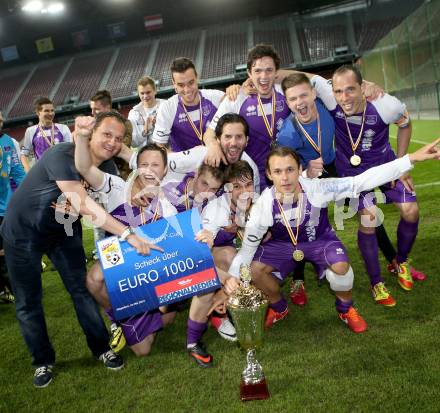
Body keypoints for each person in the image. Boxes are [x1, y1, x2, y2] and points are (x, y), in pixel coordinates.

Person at [0, 111, 158, 388]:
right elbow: (81, 202)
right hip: (23, 233)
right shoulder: (61, 153)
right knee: (28, 301)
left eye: (117, 138)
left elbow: (115, 202)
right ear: (92, 132)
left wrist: (136, 198)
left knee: (81, 290)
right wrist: (128, 234)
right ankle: (43, 361)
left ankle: (101, 348)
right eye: (106, 134)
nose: (110, 142)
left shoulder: (107, 168)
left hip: (64, 231)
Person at [227, 142, 440, 333]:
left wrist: (410, 159)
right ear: (269, 174)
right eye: (278, 171)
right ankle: (279, 308)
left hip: (319, 240)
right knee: (254, 270)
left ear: (300, 170)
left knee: (341, 269)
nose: (285, 177)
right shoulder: (263, 206)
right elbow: (247, 249)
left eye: (290, 170)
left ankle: (345, 309)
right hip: (283, 245)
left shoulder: (319, 188)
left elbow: (359, 182)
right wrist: (232, 277)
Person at [311, 65, 424, 305]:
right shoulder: (332, 99)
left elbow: (405, 124)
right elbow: (301, 78)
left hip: (385, 166)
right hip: (352, 174)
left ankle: (401, 262)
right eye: (339, 91)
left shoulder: (386, 104)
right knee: (369, 217)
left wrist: (402, 164)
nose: (343, 97)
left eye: (350, 90)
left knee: (411, 211)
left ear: (363, 88)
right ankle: (376, 282)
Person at [75, 137, 177, 357]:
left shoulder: (168, 207)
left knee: (143, 349)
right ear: (135, 167)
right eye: (144, 165)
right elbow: (83, 167)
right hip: (120, 266)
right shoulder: (117, 187)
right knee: (94, 278)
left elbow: (172, 254)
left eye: (155, 165)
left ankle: (159, 313)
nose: (149, 171)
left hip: (149, 273)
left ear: (165, 170)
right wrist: (82, 138)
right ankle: (119, 318)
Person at [204, 44, 291, 188]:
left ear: (277, 73)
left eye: (269, 70)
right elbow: (209, 134)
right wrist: (213, 145)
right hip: (253, 177)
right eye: (257, 71)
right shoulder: (236, 98)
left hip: (285, 172)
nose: (263, 77)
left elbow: (314, 82)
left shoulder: (287, 92)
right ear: (249, 73)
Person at [164, 113, 260, 193]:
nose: (233, 143)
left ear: (247, 140)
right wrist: (148, 187)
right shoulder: (201, 154)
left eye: (239, 137)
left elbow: (253, 201)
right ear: (218, 139)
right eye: (228, 137)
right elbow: (161, 161)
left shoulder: (251, 167)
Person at [152, 57, 225, 156]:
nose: (187, 90)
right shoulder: (167, 108)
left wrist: (236, 89)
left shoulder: (216, 97)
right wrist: (185, 159)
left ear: (197, 78)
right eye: (181, 85)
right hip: (184, 168)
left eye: (191, 83)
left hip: (216, 161)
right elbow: (159, 147)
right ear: (174, 84)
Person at [0, 111, 25, 303]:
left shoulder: (8, 141)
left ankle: (17, 291)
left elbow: (17, 171)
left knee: (9, 250)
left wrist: (28, 194)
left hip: (6, 207)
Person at [20, 97, 72, 172]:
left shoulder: (63, 128)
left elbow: (71, 151)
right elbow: (23, 154)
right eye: (46, 111)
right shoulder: (31, 131)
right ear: (38, 112)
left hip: (62, 171)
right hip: (42, 173)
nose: (51, 113)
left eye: (52, 110)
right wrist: (28, 171)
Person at [128, 76, 163, 148]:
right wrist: (145, 131)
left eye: (148, 92)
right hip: (145, 157)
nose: (145, 96)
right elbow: (133, 143)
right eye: (142, 93)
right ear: (138, 94)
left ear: (155, 91)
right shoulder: (133, 113)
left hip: (167, 154)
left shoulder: (166, 106)